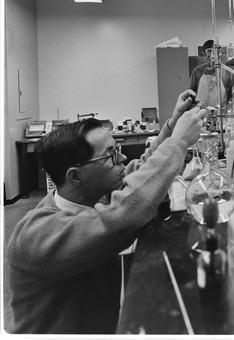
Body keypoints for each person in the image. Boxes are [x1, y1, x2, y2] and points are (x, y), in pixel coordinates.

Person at [7, 90, 207, 334]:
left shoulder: (94, 197)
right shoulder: (35, 235)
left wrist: (173, 125)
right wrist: (178, 143)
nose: (122, 157)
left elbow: (139, 173)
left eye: (118, 148)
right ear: (75, 176)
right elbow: (123, 215)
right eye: (111, 155)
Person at [189, 39, 234, 110]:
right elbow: (190, 96)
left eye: (215, 51)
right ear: (204, 53)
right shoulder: (197, 72)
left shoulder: (230, 74)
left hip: (223, 115)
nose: (212, 54)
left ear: (220, 53)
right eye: (209, 51)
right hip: (201, 114)